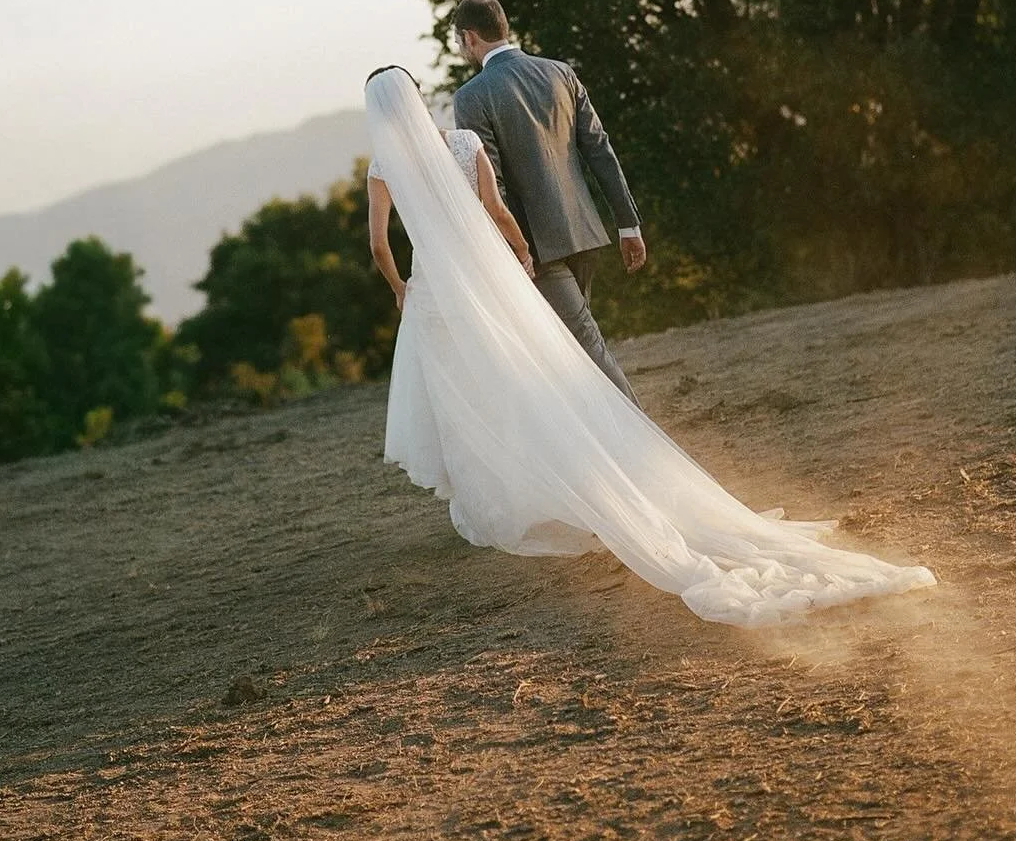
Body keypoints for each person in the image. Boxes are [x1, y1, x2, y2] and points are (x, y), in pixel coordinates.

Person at [364, 62, 935, 631]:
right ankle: (547, 486)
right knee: (521, 381)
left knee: (468, 397)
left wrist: (399, 289)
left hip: (438, 294)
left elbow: (378, 245)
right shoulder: (462, 145)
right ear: (419, 99)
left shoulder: (385, 167)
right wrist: (520, 253)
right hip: (491, 280)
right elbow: (498, 212)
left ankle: (499, 504)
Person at [450, 0, 641, 400]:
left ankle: (650, 448)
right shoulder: (560, 73)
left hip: (536, 248)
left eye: (458, 41)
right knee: (571, 352)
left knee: (586, 348)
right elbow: (600, 151)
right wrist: (628, 224)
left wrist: (508, 250)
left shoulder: (471, 97)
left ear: (469, 38)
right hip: (585, 234)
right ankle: (602, 451)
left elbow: (491, 186)